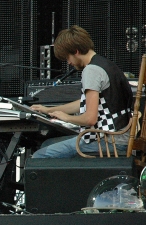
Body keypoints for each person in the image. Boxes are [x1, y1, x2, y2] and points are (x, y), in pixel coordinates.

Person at [30, 25, 133, 158]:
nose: (69, 62)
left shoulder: (91, 71)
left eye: (68, 57)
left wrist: (67, 118)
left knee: (40, 156)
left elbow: (90, 119)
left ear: (76, 51)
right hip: (120, 137)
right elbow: (86, 103)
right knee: (47, 144)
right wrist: (48, 110)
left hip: (108, 141)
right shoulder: (106, 64)